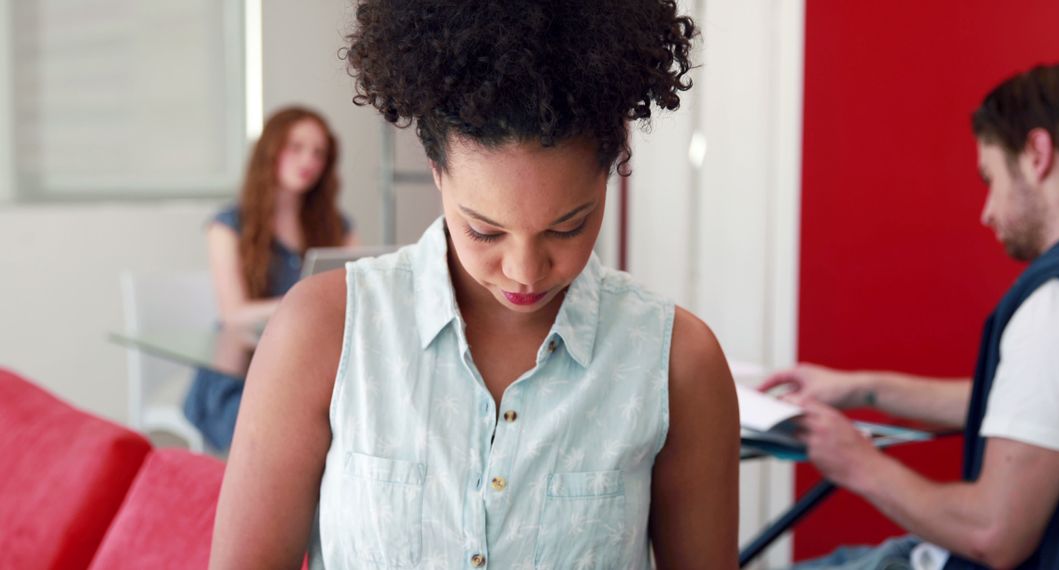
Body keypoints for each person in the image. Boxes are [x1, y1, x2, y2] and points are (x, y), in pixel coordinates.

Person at [210, 1, 740, 568]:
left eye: (568, 226)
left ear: (612, 169)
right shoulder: (324, 331)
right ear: (436, 170)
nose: (525, 271)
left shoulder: (677, 362)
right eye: (485, 231)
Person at [762, 62, 1059, 570]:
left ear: (1038, 155)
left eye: (990, 177)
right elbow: (1034, 409)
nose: (987, 211)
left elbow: (992, 533)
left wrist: (856, 462)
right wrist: (861, 388)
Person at [183, 106, 356, 451]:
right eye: (296, 147)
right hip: (237, 376)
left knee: (343, 427)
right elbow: (233, 314)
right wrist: (306, 303)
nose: (308, 160)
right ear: (270, 151)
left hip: (305, 371)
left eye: (318, 152)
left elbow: (358, 289)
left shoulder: (337, 226)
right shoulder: (228, 225)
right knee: (289, 440)